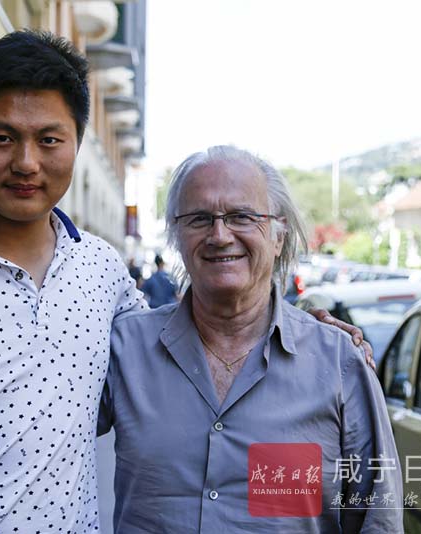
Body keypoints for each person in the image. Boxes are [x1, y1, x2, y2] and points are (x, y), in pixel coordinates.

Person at [0, 32, 371, 533]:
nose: (26, 162)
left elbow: (183, 338)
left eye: (49, 139)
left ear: (77, 143)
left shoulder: (102, 270)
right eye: (2, 137)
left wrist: (303, 333)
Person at [98, 145, 402, 533]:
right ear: (176, 236)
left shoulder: (338, 362)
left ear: (278, 236)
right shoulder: (125, 349)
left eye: (241, 217)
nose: (220, 235)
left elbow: (378, 517)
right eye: (199, 218)